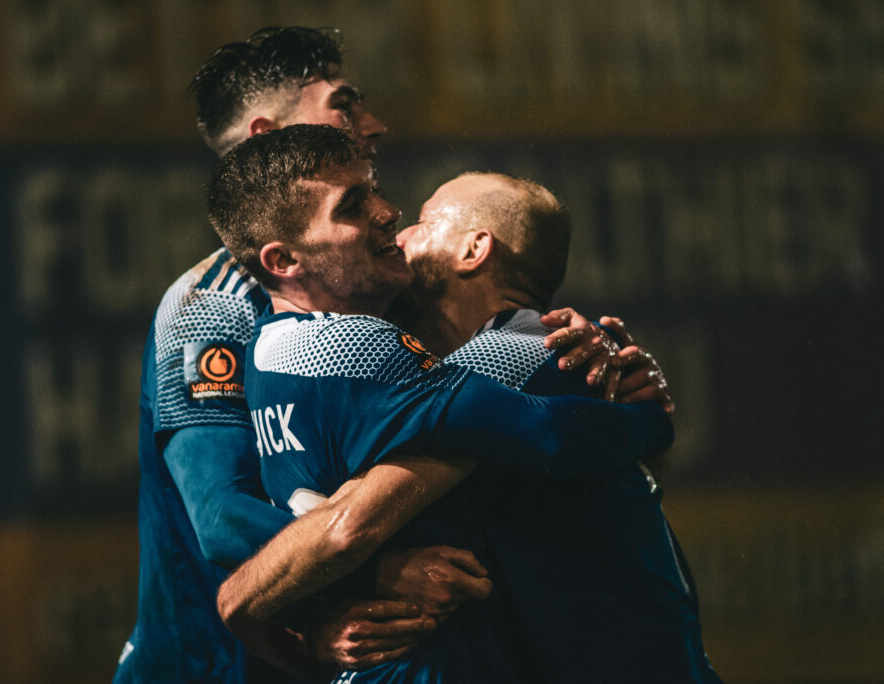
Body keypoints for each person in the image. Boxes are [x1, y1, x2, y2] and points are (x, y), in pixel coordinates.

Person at [115, 27, 613, 683]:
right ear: (267, 136)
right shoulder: (209, 308)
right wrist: (378, 565)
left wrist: (564, 344)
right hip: (212, 667)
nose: (372, 125)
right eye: (344, 105)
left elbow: (473, 387)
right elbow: (220, 518)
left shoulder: (369, 284)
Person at [209, 124, 676, 682]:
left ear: (476, 250)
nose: (393, 217)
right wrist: (650, 418)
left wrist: (275, 624)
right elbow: (539, 432)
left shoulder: (265, 351)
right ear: (284, 260)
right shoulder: (361, 346)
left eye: (384, 197)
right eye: (353, 205)